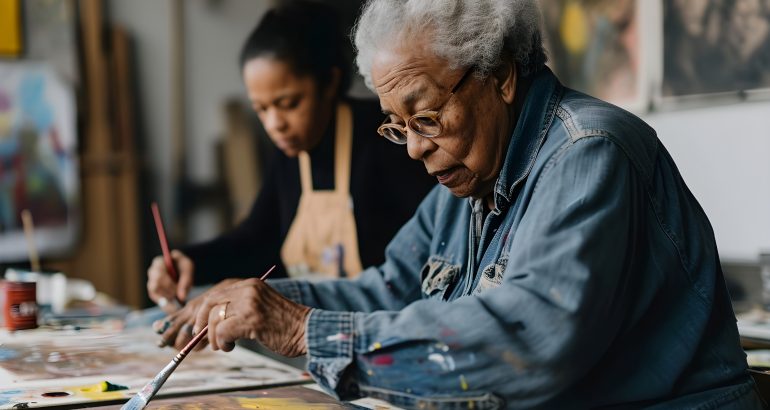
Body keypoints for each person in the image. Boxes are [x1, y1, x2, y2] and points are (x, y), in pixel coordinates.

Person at [166, 0, 763, 408]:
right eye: (397, 127)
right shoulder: (469, 177)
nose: (416, 148)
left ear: (500, 75)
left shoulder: (589, 155)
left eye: (427, 116)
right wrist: (260, 304)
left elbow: (531, 341)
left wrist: (305, 332)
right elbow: (388, 289)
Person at [146, 1, 435, 311]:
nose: (275, 125)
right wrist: (189, 261)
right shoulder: (292, 152)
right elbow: (258, 239)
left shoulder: (386, 140)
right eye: (262, 109)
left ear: (330, 82)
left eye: (288, 103)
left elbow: (420, 259)